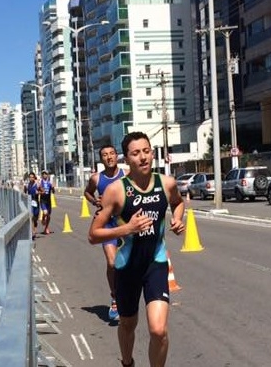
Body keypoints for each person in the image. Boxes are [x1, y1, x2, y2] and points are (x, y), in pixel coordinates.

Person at [88, 132, 185, 367]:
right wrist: (127, 229)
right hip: (127, 267)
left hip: (156, 264)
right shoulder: (116, 190)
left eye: (146, 151)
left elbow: (178, 202)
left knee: (159, 330)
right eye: (136, 153)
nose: (143, 157)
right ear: (127, 159)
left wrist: (178, 219)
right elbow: (93, 234)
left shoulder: (167, 183)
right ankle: (127, 362)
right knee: (128, 323)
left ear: (152, 153)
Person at [84, 145, 126, 320]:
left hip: (126, 224)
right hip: (107, 225)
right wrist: (95, 201)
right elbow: (87, 192)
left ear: (117, 156)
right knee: (111, 263)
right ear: (101, 159)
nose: (109, 157)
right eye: (105, 155)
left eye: (111, 154)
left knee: (129, 264)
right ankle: (115, 297)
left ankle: (129, 295)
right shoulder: (96, 178)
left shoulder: (127, 175)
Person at [25, 172, 42, 240]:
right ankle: (32, 232)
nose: (31, 178)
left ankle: (34, 230)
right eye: (30, 177)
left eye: (32, 177)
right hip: (30, 203)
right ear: (29, 178)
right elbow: (24, 192)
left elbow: (43, 191)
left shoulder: (37, 185)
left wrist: (38, 192)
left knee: (35, 218)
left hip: (36, 202)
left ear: (34, 177)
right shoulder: (27, 185)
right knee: (31, 217)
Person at [39, 170, 54, 235]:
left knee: (49, 216)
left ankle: (46, 228)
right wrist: (40, 190)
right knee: (45, 212)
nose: (44, 175)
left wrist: (53, 187)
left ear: (47, 175)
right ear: (42, 175)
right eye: (43, 174)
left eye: (46, 174)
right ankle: (43, 218)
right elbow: (37, 190)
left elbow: (53, 192)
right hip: (42, 200)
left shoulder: (49, 183)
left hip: (48, 201)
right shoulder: (40, 182)